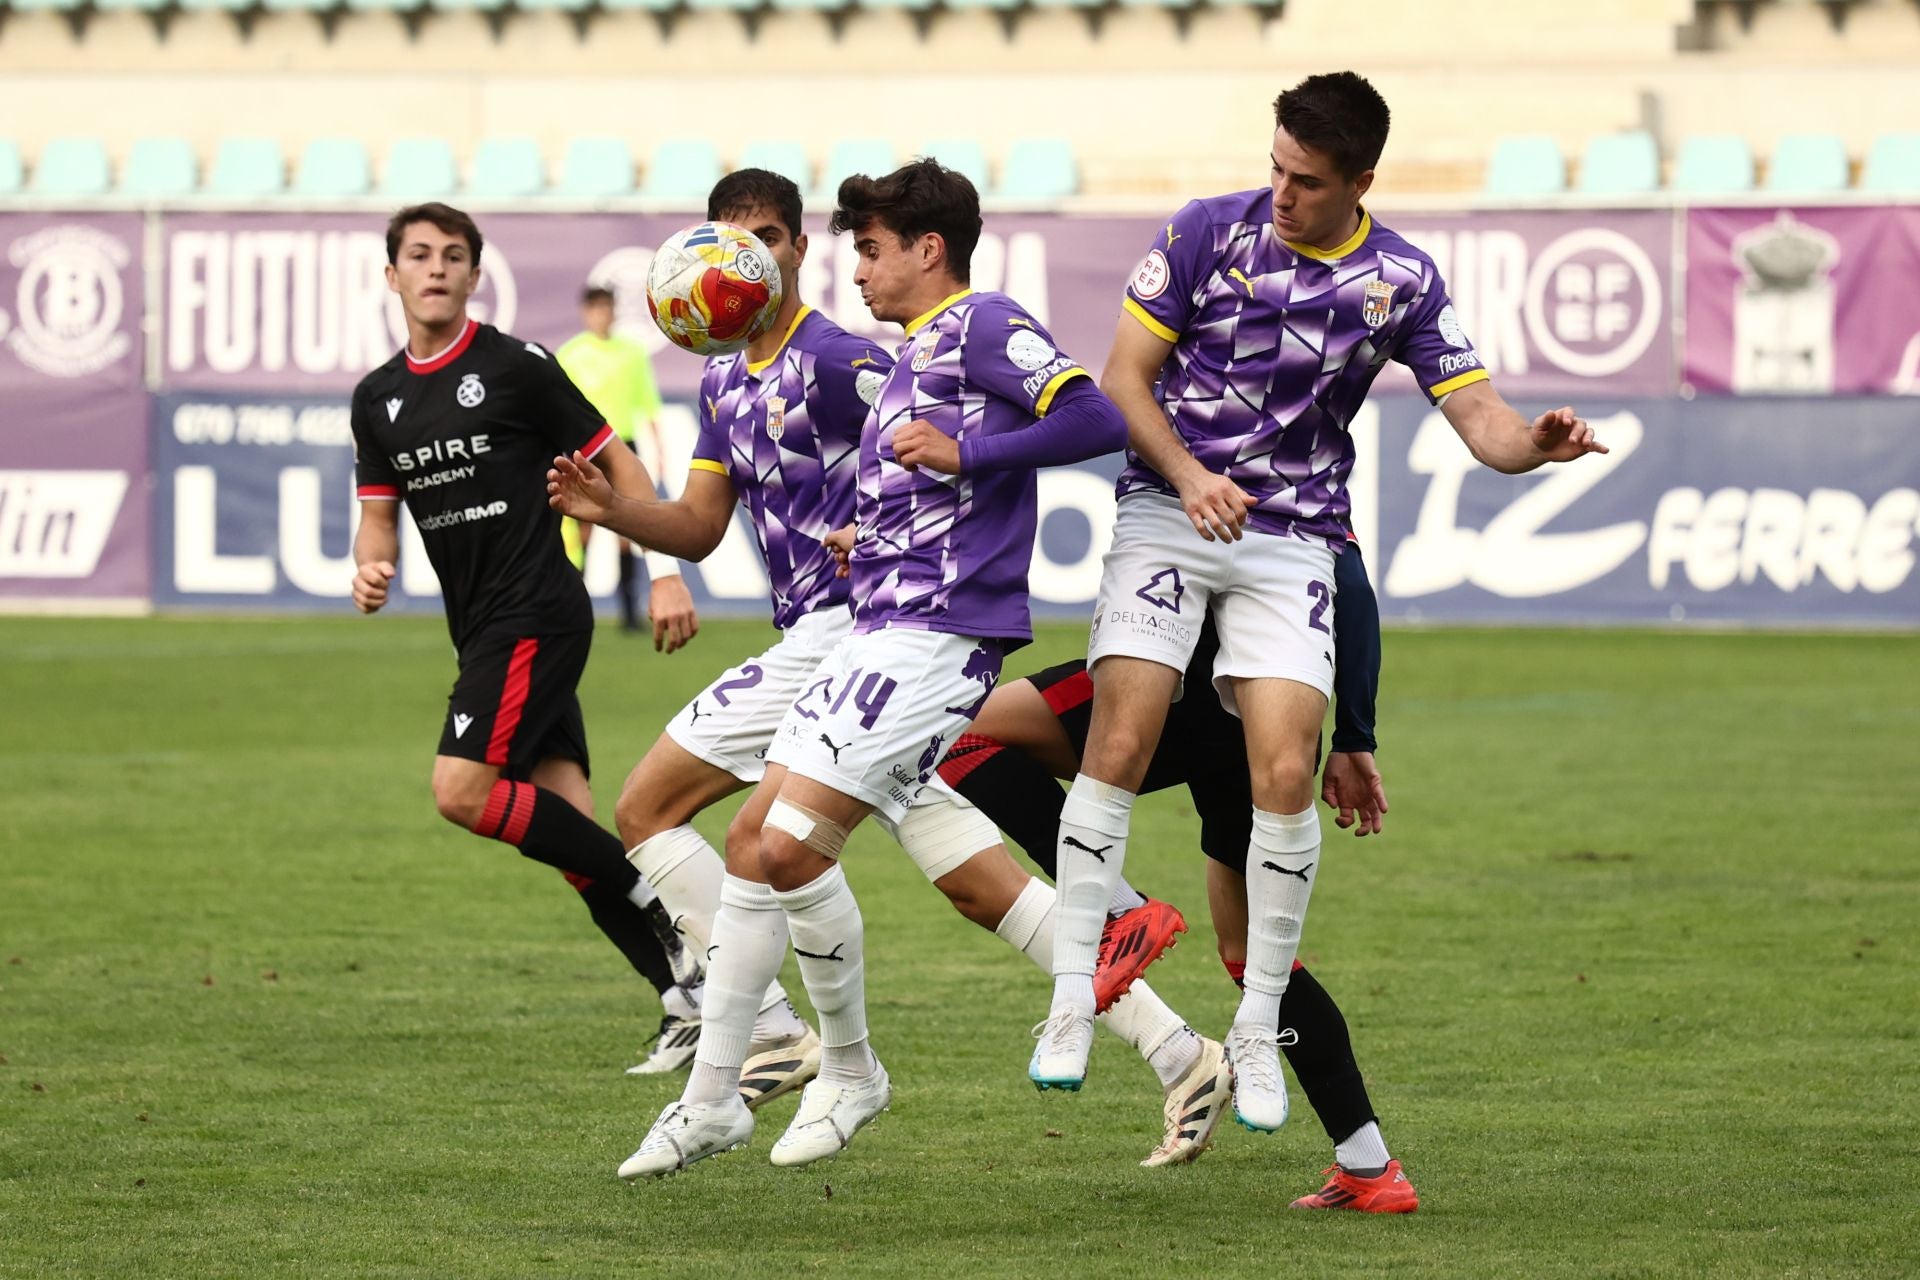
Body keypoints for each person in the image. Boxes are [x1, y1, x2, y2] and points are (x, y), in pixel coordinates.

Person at [548, 169, 1205, 1174]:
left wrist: (947, 477)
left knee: (724, 825)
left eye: (771, 238)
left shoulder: (852, 359)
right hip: (868, 631)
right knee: (953, 878)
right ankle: (1176, 1045)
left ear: (797, 247)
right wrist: (622, 520)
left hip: (864, 634)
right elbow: (702, 520)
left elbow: (1038, 432)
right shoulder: (734, 377)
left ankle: (788, 1052)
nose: (748, 265)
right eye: (730, 244)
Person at [1038, 71, 1610, 1130]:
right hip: (1171, 509)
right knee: (1118, 735)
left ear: (1360, 180)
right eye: (1276, 168)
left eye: (1305, 180)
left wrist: (1533, 446)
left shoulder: (1401, 278)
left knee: (1287, 771)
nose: (1282, 193)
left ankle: (1256, 1026)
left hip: (1292, 537)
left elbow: (1480, 417)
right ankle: (1074, 990)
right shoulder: (1209, 232)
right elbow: (1123, 377)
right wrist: (1192, 475)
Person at [940, 540, 1416, 1212]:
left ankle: (1120, 910)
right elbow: (1354, 591)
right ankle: (1369, 1168)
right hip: (1268, 717)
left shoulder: (1224, 452)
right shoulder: (1304, 477)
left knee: (955, 731)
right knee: (1251, 955)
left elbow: (1349, 584)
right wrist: (1353, 733)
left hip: (1173, 684)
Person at [347, 201, 702, 1056]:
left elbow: (619, 463)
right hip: (480, 631)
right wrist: (368, 562)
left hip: (538, 611)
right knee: (569, 826)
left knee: (461, 791)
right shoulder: (377, 400)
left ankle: (687, 926)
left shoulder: (518, 368)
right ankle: (691, 1003)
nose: (437, 268)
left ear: (475, 276)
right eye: (420, 256)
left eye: (454, 256)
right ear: (392, 276)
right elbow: (378, 516)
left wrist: (661, 569)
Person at [555, 286, 699, 650]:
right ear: (587, 313)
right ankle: (574, 606)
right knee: (582, 533)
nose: (601, 316)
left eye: (606, 309)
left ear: (613, 312)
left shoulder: (631, 354)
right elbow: (555, 407)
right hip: (582, 451)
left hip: (622, 449)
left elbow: (647, 404)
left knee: (627, 532)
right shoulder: (571, 354)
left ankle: (628, 612)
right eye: (595, 310)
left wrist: (661, 449)